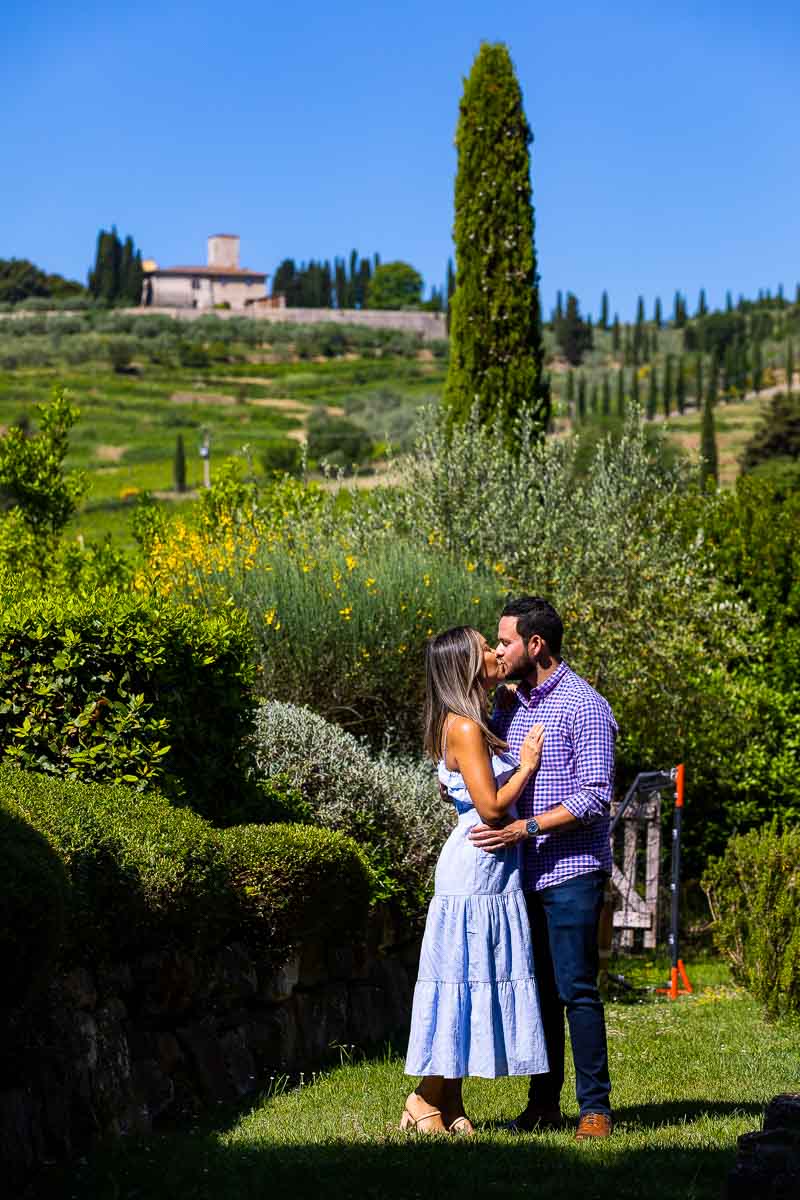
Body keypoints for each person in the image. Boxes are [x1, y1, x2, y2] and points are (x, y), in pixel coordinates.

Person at [469, 596, 617, 1140]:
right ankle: (543, 1103)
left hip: (571, 871)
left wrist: (525, 828)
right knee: (538, 992)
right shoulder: (510, 704)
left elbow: (595, 797)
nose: (498, 649)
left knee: (577, 989)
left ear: (536, 645)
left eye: (505, 641)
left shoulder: (585, 707)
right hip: (520, 875)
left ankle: (595, 1108)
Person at [402, 626, 549, 1135]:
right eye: (485, 648)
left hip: (488, 870)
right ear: (465, 663)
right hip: (476, 868)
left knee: (466, 979)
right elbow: (489, 807)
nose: (494, 653)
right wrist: (527, 765)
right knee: (460, 979)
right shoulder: (465, 726)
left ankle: (451, 1100)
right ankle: (423, 1098)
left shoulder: (470, 719)